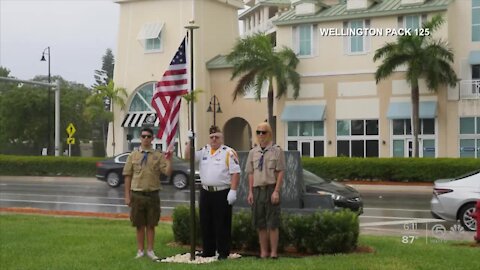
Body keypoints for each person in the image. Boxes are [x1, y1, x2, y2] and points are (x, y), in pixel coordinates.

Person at [185, 125, 240, 260]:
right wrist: (189, 141)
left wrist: (233, 191)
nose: (214, 139)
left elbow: (235, 173)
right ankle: (208, 250)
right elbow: (188, 156)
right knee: (206, 222)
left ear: (222, 138)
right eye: (212, 137)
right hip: (206, 192)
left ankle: (223, 251)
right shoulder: (204, 151)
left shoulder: (228, 152)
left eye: (217, 137)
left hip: (222, 192)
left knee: (222, 223)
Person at [123, 127, 172, 262]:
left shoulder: (158, 155)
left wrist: (170, 159)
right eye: (143, 136)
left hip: (152, 194)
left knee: (151, 224)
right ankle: (140, 250)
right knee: (139, 224)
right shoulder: (133, 155)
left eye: (148, 136)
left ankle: (150, 250)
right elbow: (127, 176)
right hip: (137, 194)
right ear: (140, 138)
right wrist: (127, 196)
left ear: (152, 138)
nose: (145, 138)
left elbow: (167, 172)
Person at [245, 122, 285, 259]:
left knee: (272, 223)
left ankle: (273, 253)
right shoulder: (253, 152)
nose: (261, 135)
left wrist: (277, 191)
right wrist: (250, 192)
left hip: (271, 189)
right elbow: (250, 173)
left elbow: (280, 172)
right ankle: (264, 252)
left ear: (270, 134)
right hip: (257, 190)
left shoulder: (277, 151)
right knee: (260, 223)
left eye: (264, 132)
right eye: (258, 132)